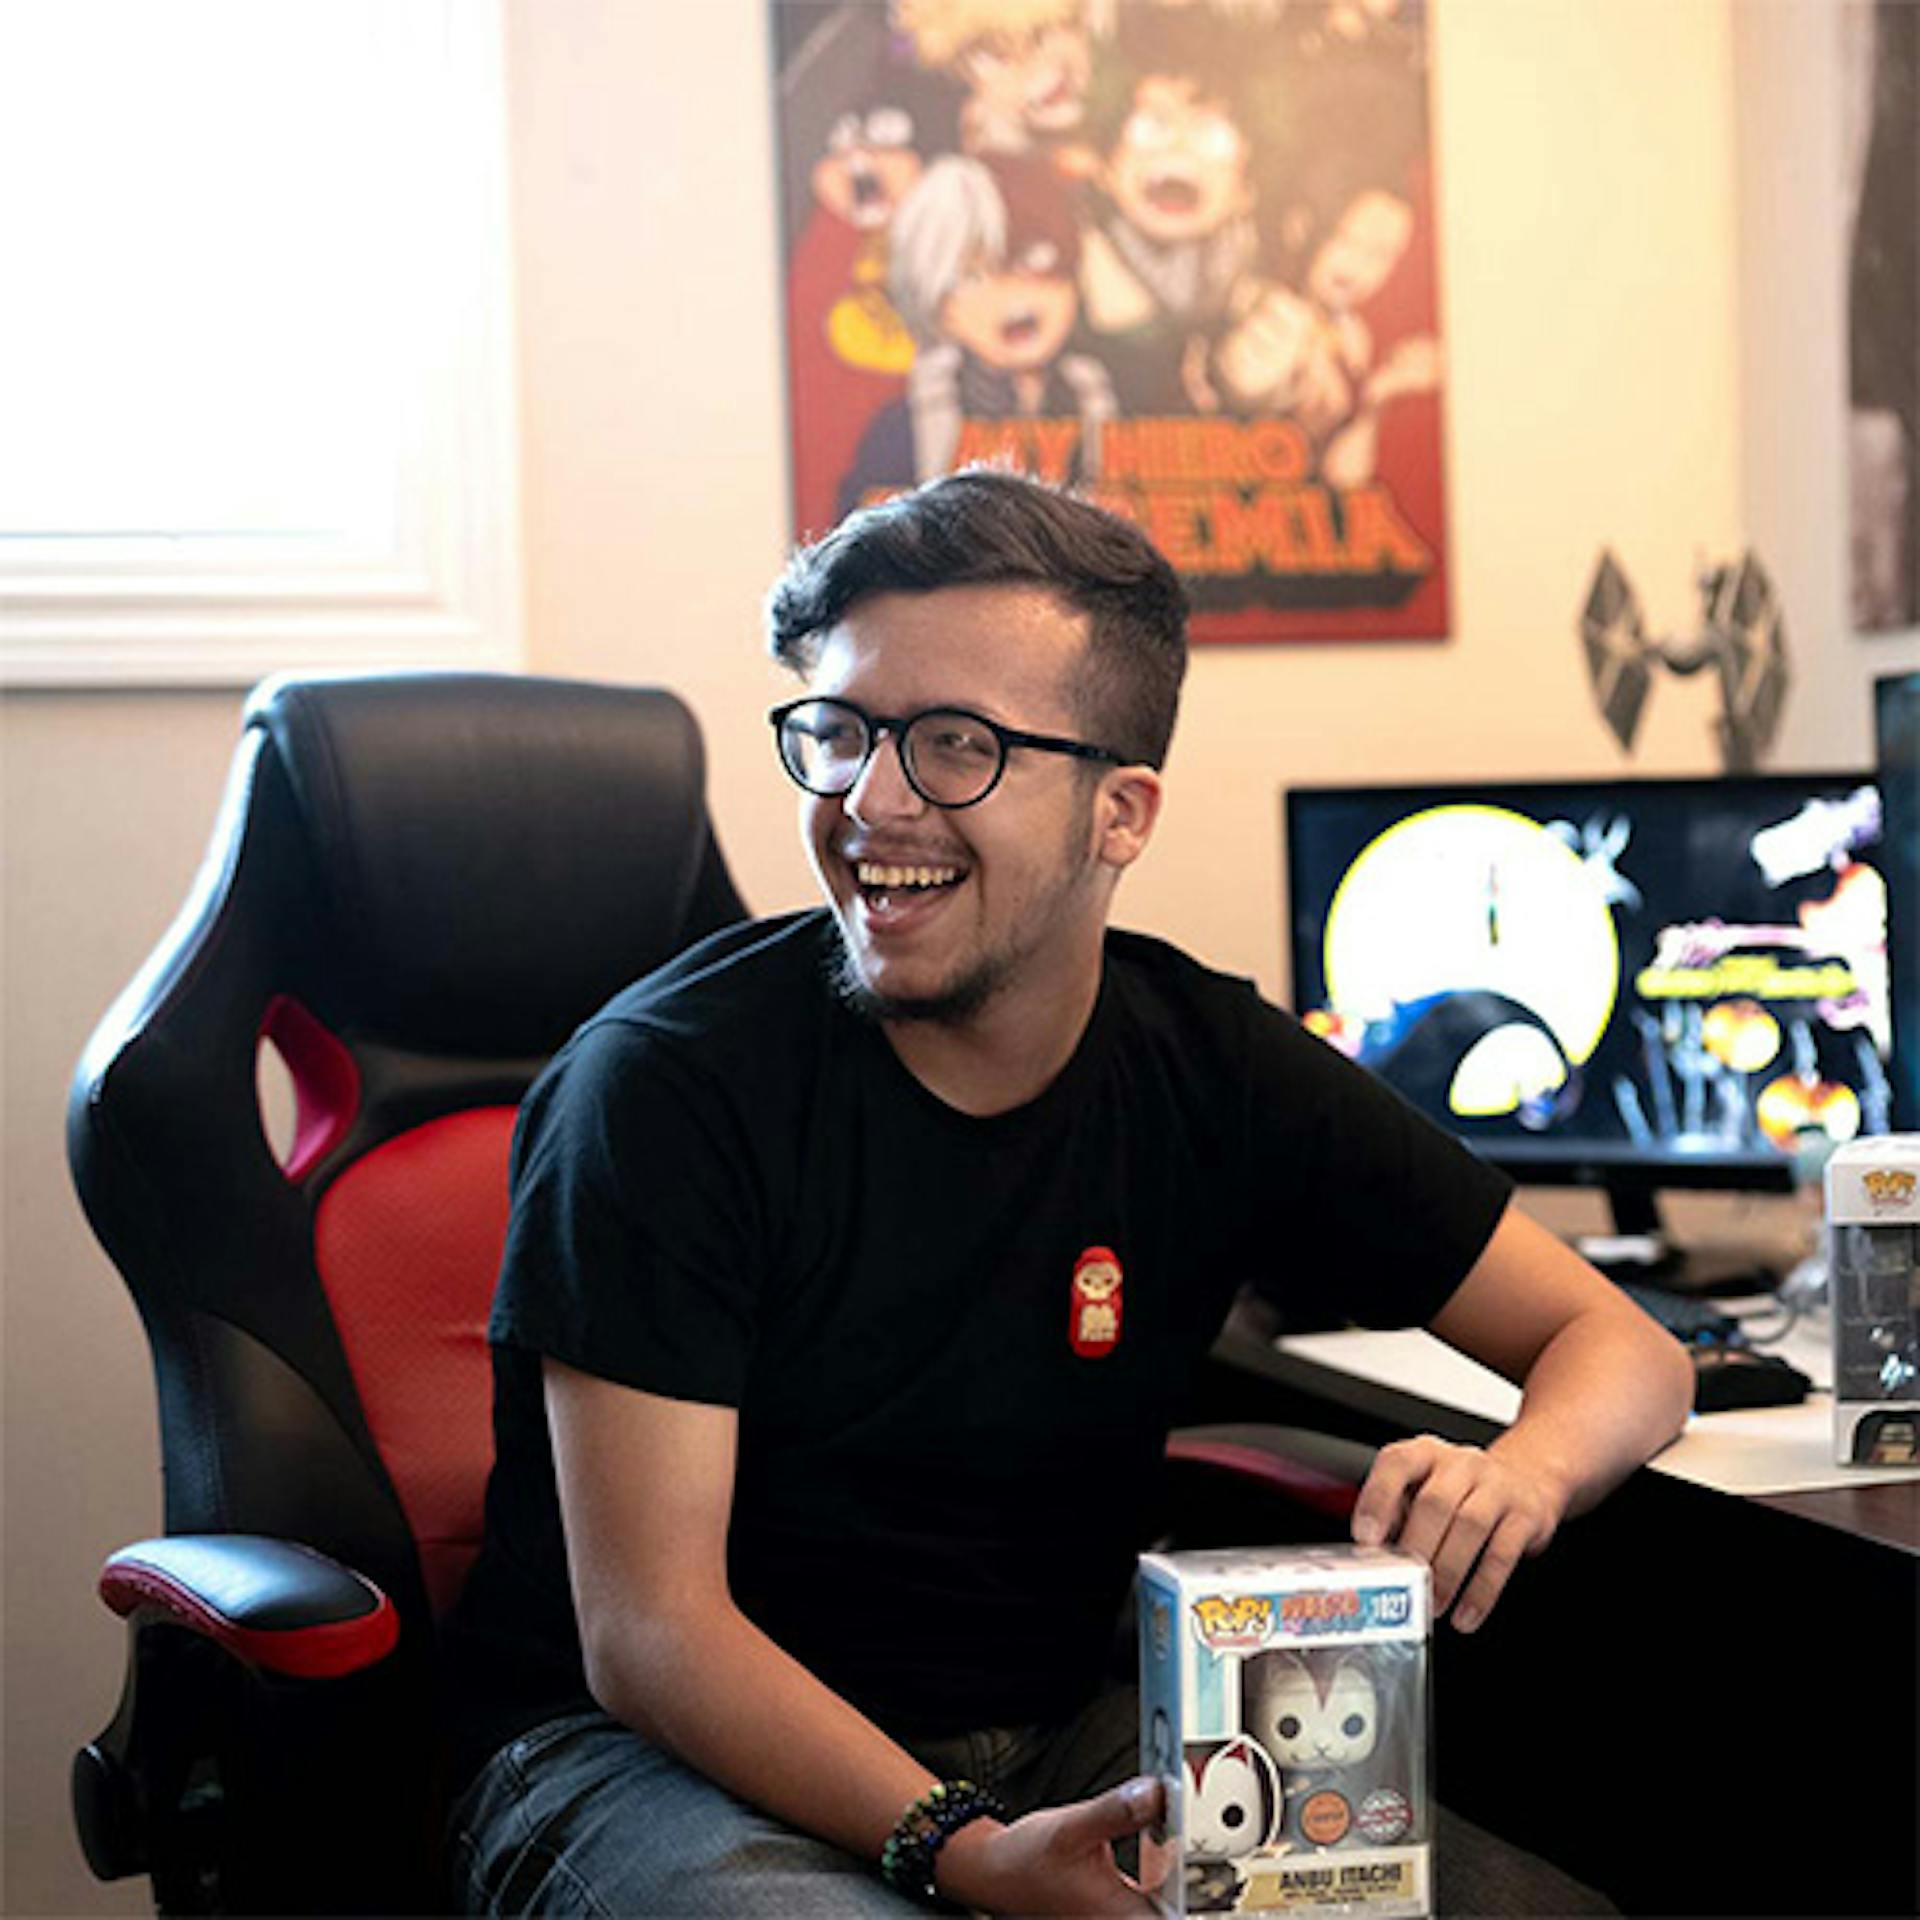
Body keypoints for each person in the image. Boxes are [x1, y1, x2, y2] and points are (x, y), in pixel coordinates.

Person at [441, 469, 1695, 1916]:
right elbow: (652, 1635)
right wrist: (966, 1857)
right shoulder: (662, 1088)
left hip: (1048, 1736)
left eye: (956, 745)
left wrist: (1521, 1474)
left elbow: (1624, 1351)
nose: (872, 801)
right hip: (632, 1760)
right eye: (841, 733)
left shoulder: (1208, 1066)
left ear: (1123, 813)